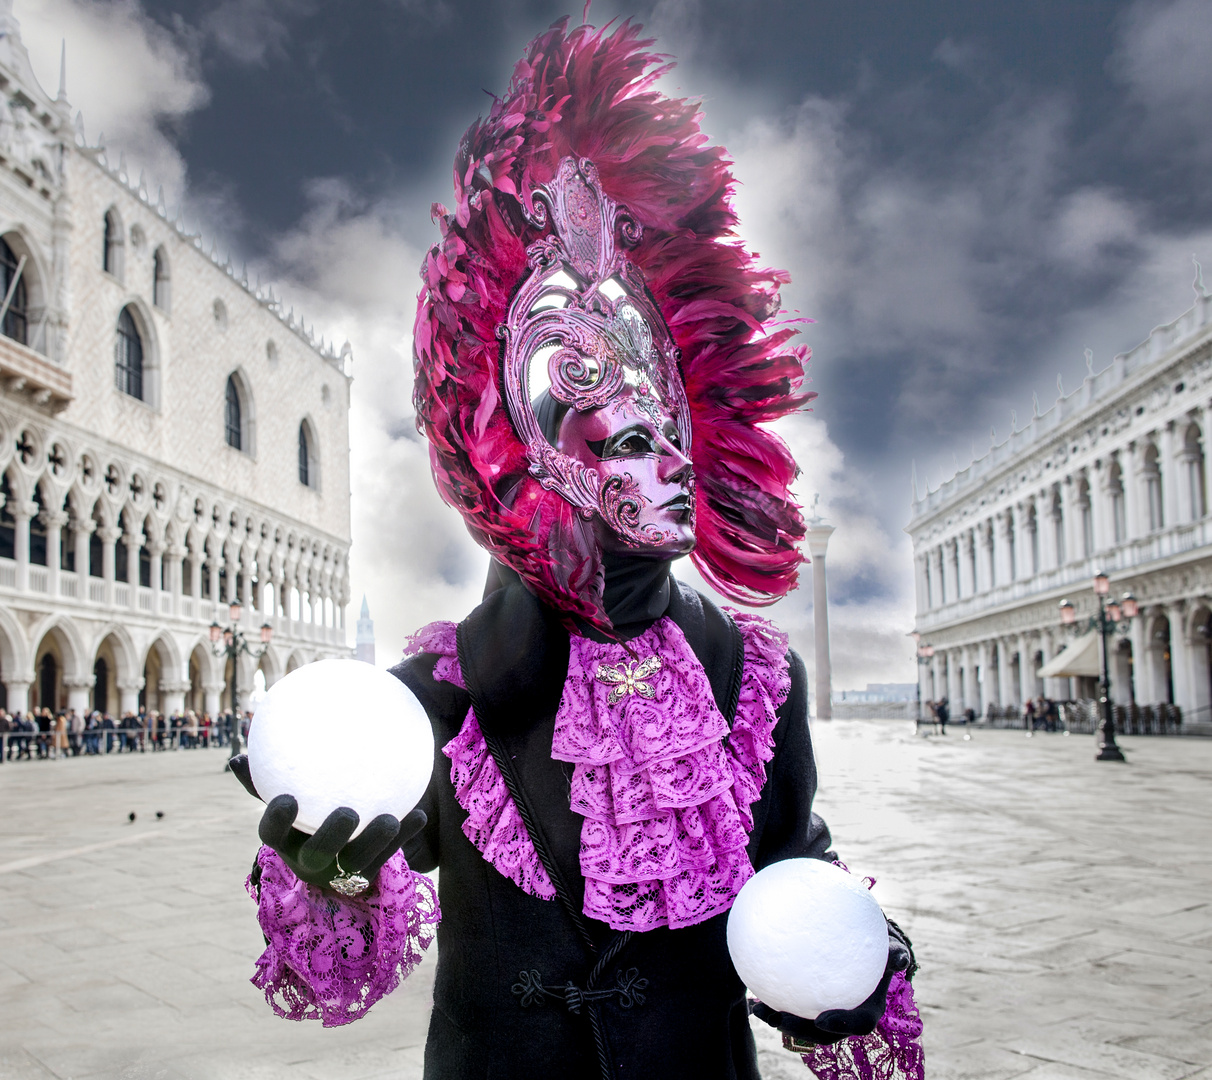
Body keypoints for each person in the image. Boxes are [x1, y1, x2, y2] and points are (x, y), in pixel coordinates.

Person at [232, 19, 922, 1080]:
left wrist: (850, 970)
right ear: (509, 442)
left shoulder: (752, 682)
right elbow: (353, 946)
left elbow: (795, 876)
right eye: (599, 393)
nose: (660, 426)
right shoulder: (430, 701)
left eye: (662, 388)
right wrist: (331, 883)